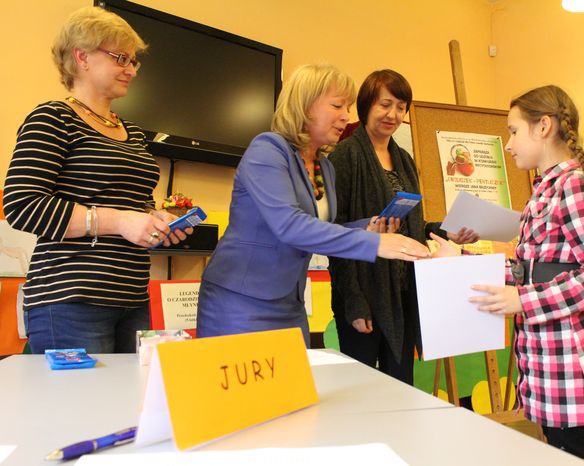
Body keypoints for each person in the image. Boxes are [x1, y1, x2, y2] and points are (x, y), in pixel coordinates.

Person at [433, 85, 584, 464]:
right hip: (546, 359)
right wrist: (460, 258)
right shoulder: (546, 188)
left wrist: (523, 299)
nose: (508, 144)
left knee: (572, 455)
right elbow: (529, 270)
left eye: (513, 131)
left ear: (543, 126)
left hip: (567, 362)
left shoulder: (571, 186)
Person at [196, 64, 430, 345]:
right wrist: (376, 245)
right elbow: (290, 225)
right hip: (240, 301)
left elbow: (321, 230)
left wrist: (367, 228)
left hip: (291, 302)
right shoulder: (267, 150)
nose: (346, 116)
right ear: (305, 106)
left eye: (348, 108)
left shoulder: (325, 168)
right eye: (337, 106)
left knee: (292, 388)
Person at [2, 7, 190, 354]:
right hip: (70, 299)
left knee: (125, 406)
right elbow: (22, 205)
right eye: (121, 58)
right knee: (78, 408)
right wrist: (119, 221)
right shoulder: (53, 118)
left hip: (132, 296)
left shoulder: (132, 133)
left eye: (134, 61)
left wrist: (156, 220)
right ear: (82, 57)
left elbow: (133, 204)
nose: (131, 70)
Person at [328, 69, 477, 384]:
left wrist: (447, 231)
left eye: (400, 107)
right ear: (367, 104)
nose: (392, 114)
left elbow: (412, 224)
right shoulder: (346, 155)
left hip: (402, 293)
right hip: (364, 294)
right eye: (385, 104)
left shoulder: (405, 159)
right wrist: (354, 301)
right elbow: (336, 232)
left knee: (401, 385)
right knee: (364, 391)